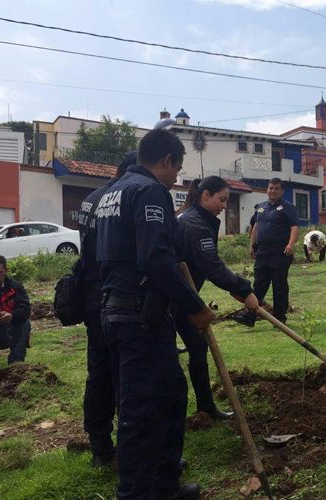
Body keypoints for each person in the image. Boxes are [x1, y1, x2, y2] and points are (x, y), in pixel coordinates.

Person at [96, 128, 214, 500]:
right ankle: (136, 493)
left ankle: (164, 485)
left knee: (171, 395)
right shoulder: (149, 191)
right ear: (167, 161)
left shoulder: (111, 193)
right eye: (176, 171)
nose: (175, 179)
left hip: (121, 312)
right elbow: (154, 259)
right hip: (137, 319)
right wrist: (194, 307)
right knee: (142, 410)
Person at [174, 176, 260, 420]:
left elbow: (207, 267)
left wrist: (235, 289)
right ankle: (186, 416)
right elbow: (213, 267)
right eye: (221, 200)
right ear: (205, 196)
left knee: (198, 347)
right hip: (172, 299)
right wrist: (245, 291)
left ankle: (205, 408)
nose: (224, 206)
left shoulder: (193, 217)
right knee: (171, 360)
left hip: (182, 296)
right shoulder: (195, 225)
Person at [76, 151, 136, 468]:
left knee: (98, 374)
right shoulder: (124, 199)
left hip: (90, 293)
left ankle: (100, 447)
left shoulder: (93, 198)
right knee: (122, 375)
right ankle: (125, 452)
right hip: (111, 296)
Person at [234, 178, 299, 327]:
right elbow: (255, 226)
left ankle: (280, 318)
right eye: (270, 188)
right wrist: (252, 246)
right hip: (262, 253)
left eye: (276, 188)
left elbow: (294, 227)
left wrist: (290, 244)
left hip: (280, 253)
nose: (273, 191)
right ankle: (250, 316)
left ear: (282, 191)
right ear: (267, 190)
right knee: (259, 285)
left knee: (279, 286)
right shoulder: (260, 207)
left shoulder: (288, 208)